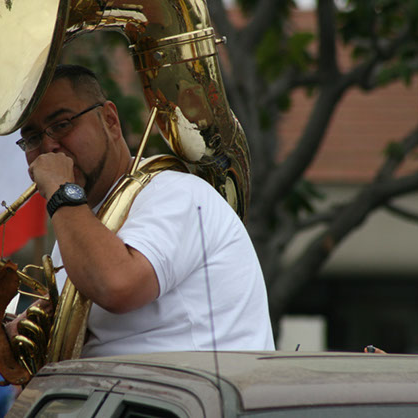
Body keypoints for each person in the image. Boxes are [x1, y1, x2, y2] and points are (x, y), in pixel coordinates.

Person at [16, 64, 275, 358]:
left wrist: (62, 191)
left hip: (193, 400)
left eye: (62, 124)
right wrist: (27, 334)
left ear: (110, 120)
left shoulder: (178, 193)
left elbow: (117, 285)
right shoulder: (77, 221)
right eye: (33, 137)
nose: (49, 146)